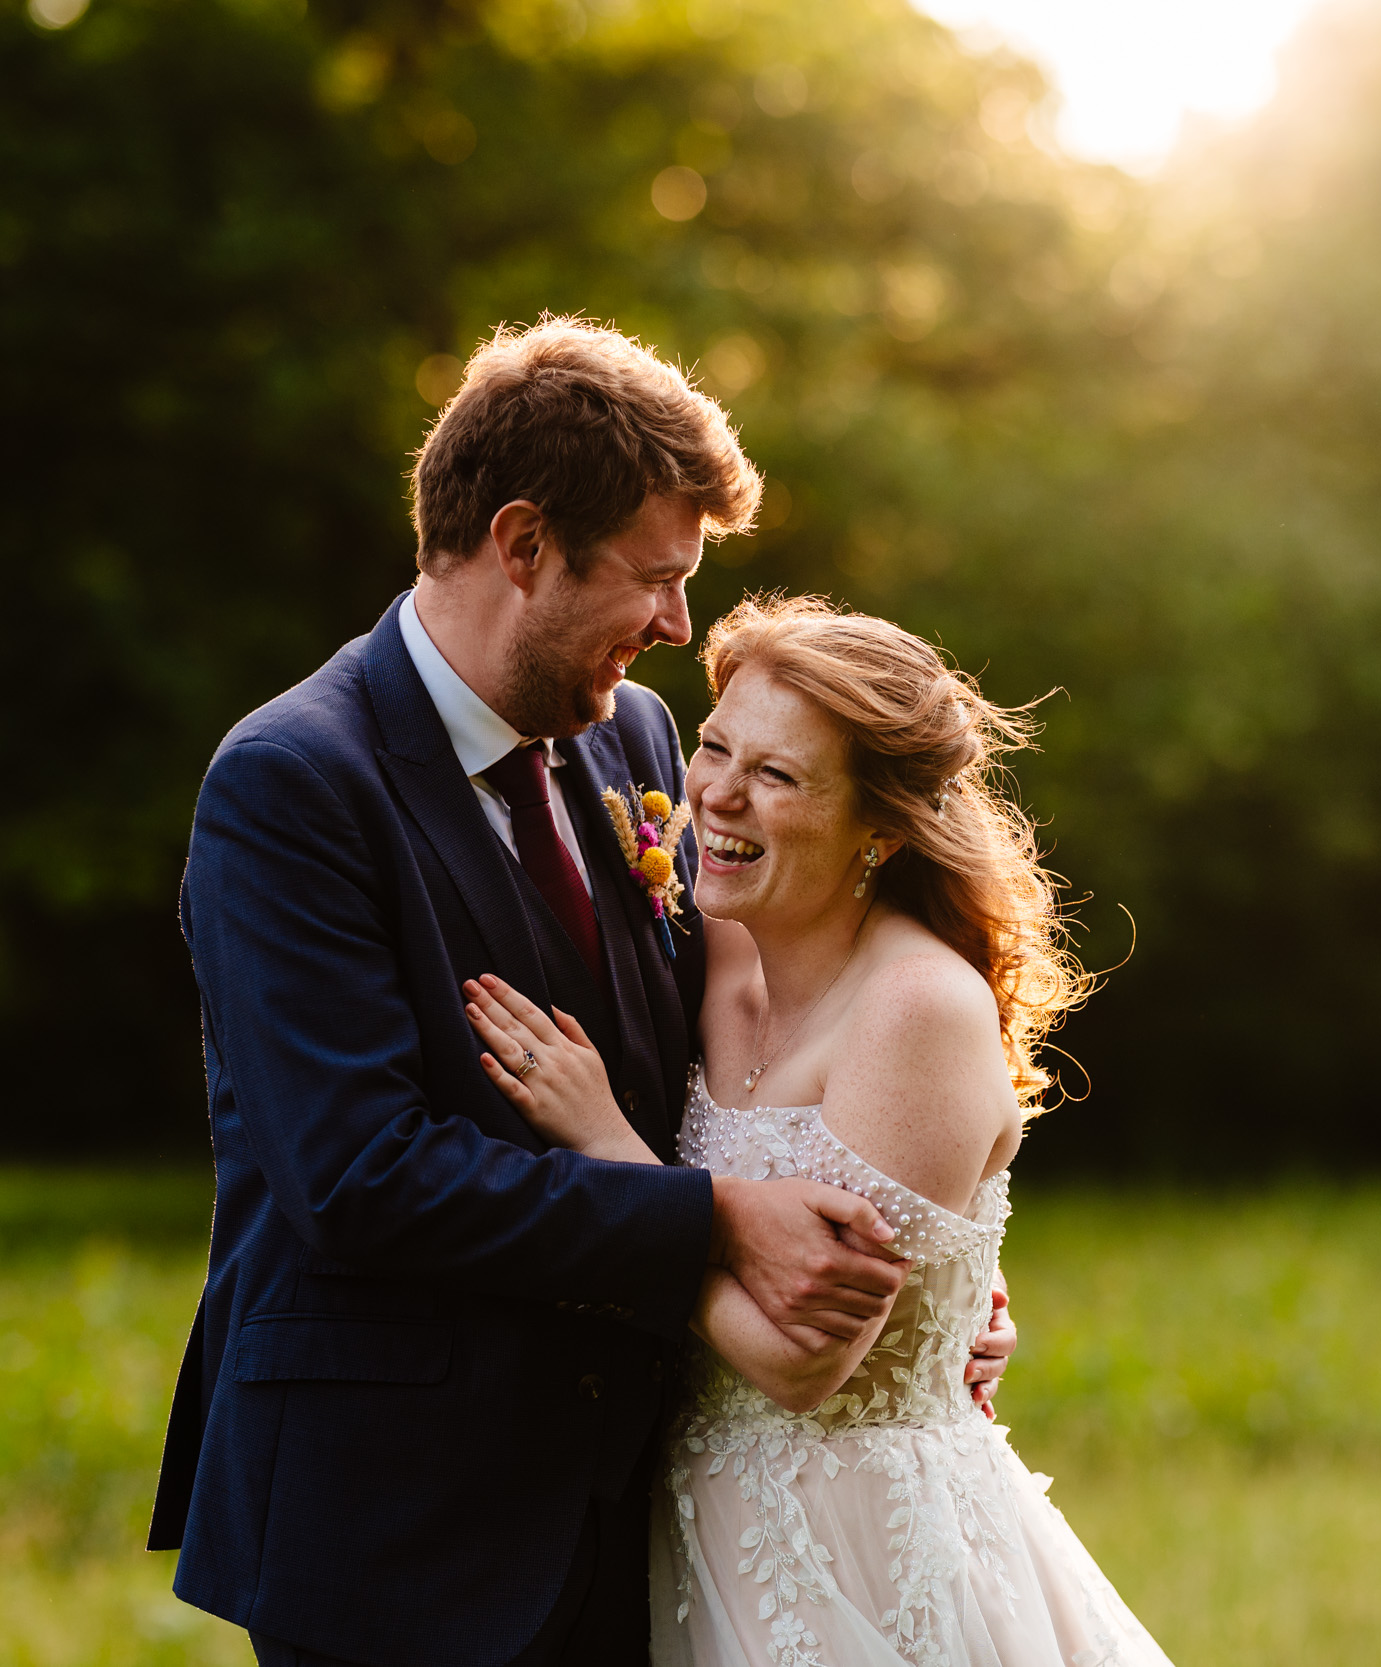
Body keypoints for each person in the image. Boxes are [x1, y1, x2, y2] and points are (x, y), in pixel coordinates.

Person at [150, 318, 1015, 1667]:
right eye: (658, 579)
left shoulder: (636, 734)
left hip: (645, 1496)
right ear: (524, 545)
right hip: (404, 1514)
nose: (677, 626)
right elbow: (359, 1175)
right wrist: (728, 1216)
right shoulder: (292, 781)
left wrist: (924, 1294)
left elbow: (697, 1058)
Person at [460, 595, 1176, 1667]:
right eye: (712, 746)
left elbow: (803, 1365)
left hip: (866, 1555)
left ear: (879, 826)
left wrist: (606, 1146)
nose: (715, 792)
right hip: (699, 1534)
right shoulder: (714, 948)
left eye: (779, 775)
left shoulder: (917, 1007)